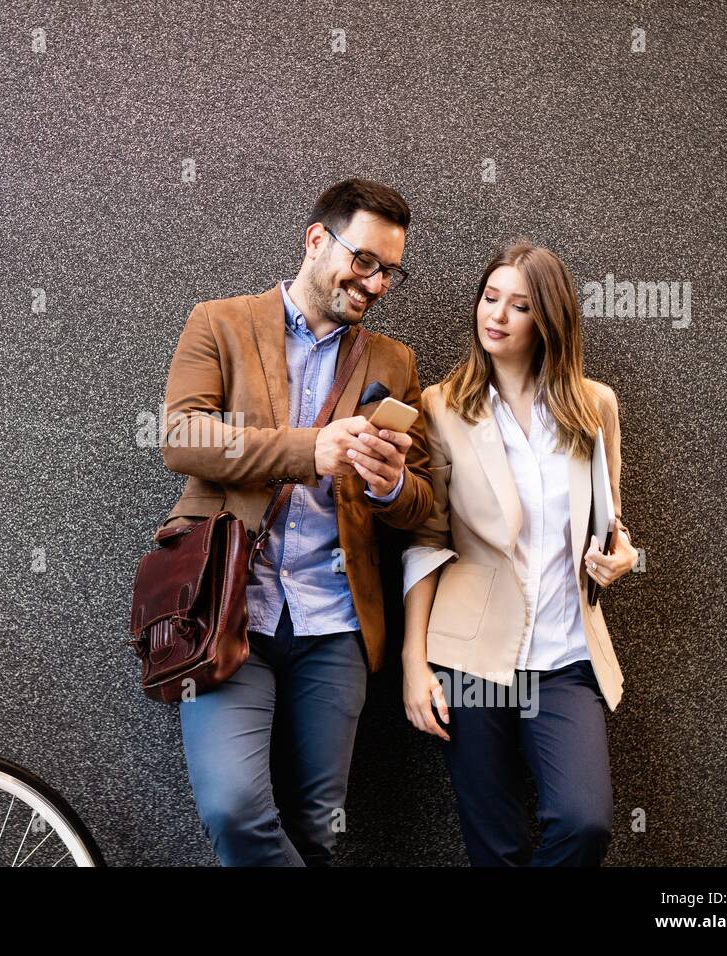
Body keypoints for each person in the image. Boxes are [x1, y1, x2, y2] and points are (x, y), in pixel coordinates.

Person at [158, 178, 433, 865]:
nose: (374, 284)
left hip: (334, 626)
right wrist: (310, 449)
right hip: (227, 611)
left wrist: (387, 481)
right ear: (316, 240)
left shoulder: (394, 361)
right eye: (364, 261)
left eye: (389, 272)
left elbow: (426, 503)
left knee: (319, 832)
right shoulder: (219, 322)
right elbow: (182, 438)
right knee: (234, 809)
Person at [401, 238, 640, 866]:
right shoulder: (441, 407)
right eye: (490, 298)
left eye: (520, 305)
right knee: (495, 844)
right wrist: (413, 662)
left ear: (550, 320)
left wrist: (620, 557)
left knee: (584, 823)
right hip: (471, 657)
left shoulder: (595, 408)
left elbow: (611, 524)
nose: (497, 315)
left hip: (565, 655)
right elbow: (427, 539)